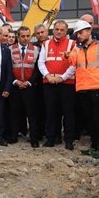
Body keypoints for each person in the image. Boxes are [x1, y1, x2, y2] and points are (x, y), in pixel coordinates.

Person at [67, 21, 99, 158]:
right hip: (83, 88)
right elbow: (72, 61)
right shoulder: (77, 49)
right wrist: (67, 55)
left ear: (89, 31)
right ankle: (94, 147)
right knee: (90, 121)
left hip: (97, 88)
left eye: (80, 32)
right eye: (77, 33)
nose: (78, 35)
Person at [38, 19, 77, 150]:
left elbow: (74, 64)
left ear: (66, 31)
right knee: (50, 112)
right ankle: (51, 138)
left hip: (67, 83)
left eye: (62, 30)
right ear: (53, 30)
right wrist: (48, 76)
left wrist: (63, 77)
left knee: (68, 113)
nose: (59, 32)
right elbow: (41, 62)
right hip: (49, 82)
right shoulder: (46, 44)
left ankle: (69, 139)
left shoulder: (73, 44)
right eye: (57, 29)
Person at [8, 26, 41, 147]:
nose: (26, 38)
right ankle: (13, 136)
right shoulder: (10, 49)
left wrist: (30, 82)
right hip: (15, 86)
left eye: (28, 36)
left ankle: (34, 138)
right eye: (23, 36)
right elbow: (8, 68)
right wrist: (15, 81)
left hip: (30, 87)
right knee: (14, 113)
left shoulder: (36, 49)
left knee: (32, 114)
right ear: (18, 37)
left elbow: (38, 69)